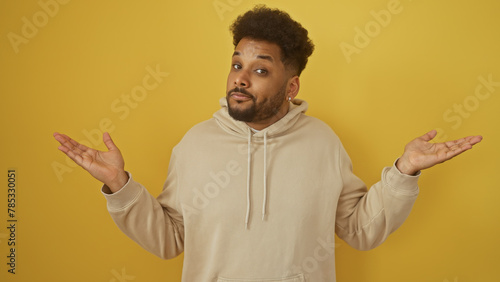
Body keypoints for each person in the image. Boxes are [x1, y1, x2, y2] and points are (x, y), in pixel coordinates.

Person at [53, 5, 482, 282]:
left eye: (260, 69)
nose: (240, 76)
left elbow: (360, 230)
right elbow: (170, 240)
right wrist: (120, 185)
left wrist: (403, 173)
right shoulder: (195, 144)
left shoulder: (323, 143)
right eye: (237, 64)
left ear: (290, 84)